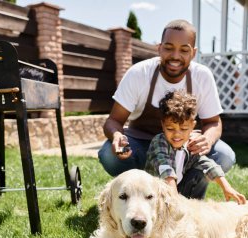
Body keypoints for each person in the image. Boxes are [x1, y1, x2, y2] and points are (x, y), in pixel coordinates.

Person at [98, 19, 236, 199]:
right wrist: (117, 136)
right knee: (108, 154)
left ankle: (189, 196)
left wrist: (207, 140)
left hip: (184, 146)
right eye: (169, 47)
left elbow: (213, 122)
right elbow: (114, 121)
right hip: (142, 144)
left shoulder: (202, 76)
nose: (175, 56)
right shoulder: (139, 73)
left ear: (193, 53)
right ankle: (140, 192)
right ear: (159, 48)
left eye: (184, 50)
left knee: (224, 155)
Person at [145, 91, 246, 203]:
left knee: (200, 171)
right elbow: (166, 169)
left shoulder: (189, 143)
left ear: (192, 126)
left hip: (176, 192)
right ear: (163, 125)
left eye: (183, 129)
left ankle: (194, 205)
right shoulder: (159, 142)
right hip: (153, 195)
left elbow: (206, 164)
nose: (177, 134)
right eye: (170, 129)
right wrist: (175, 200)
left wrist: (227, 187)